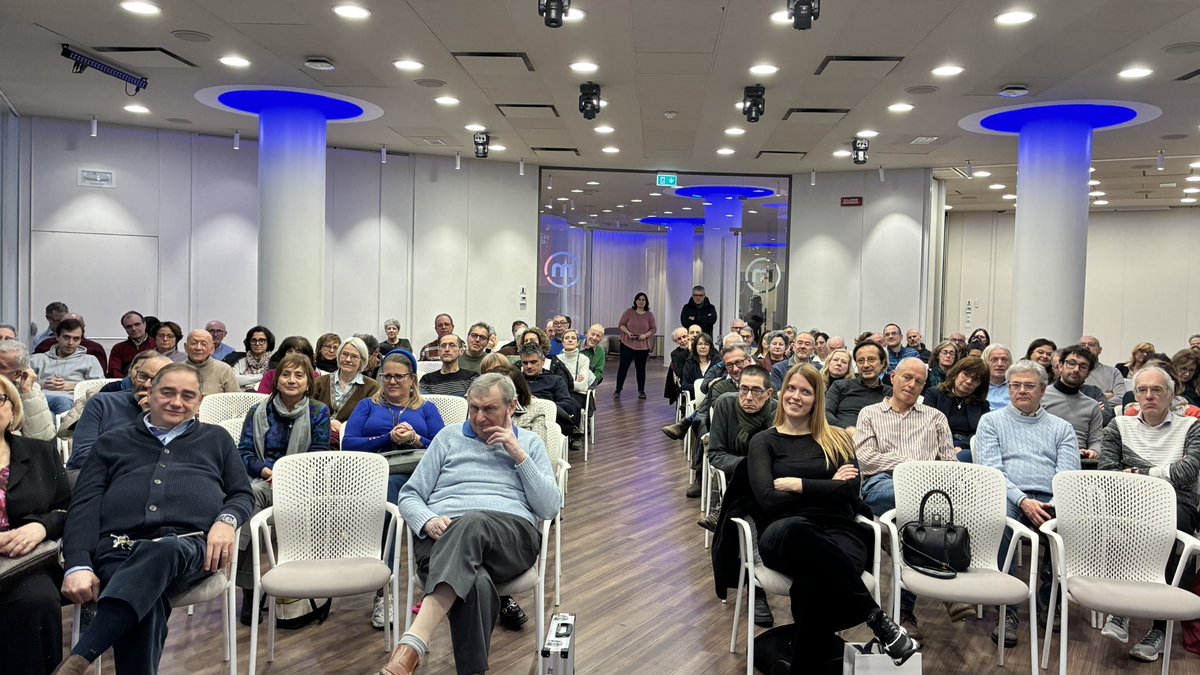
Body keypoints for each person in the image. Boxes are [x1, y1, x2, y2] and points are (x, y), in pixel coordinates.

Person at [56, 363, 253, 675]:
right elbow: (84, 505)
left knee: (163, 551)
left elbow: (242, 493)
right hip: (119, 547)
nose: (177, 402)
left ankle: (79, 657)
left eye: (188, 395)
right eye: (168, 392)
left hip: (190, 547)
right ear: (150, 393)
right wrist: (78, 564)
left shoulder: (217, 439)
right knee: (145, 599)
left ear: (200, 401)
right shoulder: (111, 442)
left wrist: (226, 521)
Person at [379, 374, 560, 675]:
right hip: (442, 536)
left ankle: (411, 645)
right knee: (474, 582)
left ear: (512, 407)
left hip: (509, 538)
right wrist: (427, 520)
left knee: (473, 522)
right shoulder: (448, 438)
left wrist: (518, 454)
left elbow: (549, 507)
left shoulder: (530, 443)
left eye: (489, 409)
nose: (479, 417)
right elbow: (410, 495)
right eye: (473, 408)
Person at [747, 362, 920, 673]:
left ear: (817, 399)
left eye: (806, 391)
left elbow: (851, 493)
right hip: (784, 533)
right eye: (791, 389)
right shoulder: (764, 441)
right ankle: (876, 619)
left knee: (812, 585)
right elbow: (768, 499)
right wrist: (830, 485)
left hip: (841, 532)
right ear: (782, 392)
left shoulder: (838, 438)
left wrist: (797, 483)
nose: (796, 396)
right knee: (799, 528)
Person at [974, 359, 1079, 646]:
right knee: (1000, 520)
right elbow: (993, 471)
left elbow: (1068, 474)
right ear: (1008, 388)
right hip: (1009, 496)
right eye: (1015, 385)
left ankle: (1049, 599)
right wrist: (1023, 501)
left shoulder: (1062, 428)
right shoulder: (991, 421)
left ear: (1043, 391)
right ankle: (1006, 609)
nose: (1021, 390)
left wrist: (1052, 504)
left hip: (1050, 499)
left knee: (1071, 523)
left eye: (1029, 386)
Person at [1099, 365, 1200, 662]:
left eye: (1157, 390)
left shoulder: (1190, 427)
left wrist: (1138, 471)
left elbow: (1187, 471)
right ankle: (1122, 611)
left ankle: (1160, 628)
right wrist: (1161, 473)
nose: (1149, 396)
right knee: (1122, 526)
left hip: (1177, 505)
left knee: (1174, 533)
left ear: (1171, 395)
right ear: (1135, 395)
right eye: (1142, 390)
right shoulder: (1118, 425)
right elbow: (1108, 472)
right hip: (1130, 502)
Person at [856, 357, 959, 636]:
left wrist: (913, 471)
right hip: (881, 486)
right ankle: (942, 581)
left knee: (908, 525)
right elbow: (866, 460)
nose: (912, 385)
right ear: (893, 378)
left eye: (919, 381)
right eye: (907, 378)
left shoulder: (935, 417)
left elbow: (949, 463)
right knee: (921, 509)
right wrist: (913, 466)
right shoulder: (869, 413)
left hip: (925, 491)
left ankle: (904, 612)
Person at [234, 353, 331, 623]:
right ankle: (250, 591)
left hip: (303, 484)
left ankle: (277, 590)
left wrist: (288, 474)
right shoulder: (257, 411)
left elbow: (319, 454)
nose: (292, 380)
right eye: (286, 374)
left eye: (299, 375)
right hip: (263, 480)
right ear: (276, 381)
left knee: (258, 515)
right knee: (250, 502)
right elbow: (243, 453)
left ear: (309, 382)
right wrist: (267, 471)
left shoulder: (318, 411)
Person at [0, 374, 71, 675]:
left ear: (13, 411)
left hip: (24, 562)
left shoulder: (40, 452)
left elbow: (68, 507)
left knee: (38, 600)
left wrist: (40, 527)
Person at [343, 350, 445, 503]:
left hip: (415, 471)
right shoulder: (367, 405)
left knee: (393, 483)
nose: (392, 381)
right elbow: (348, 444)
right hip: (369, 472)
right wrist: (387, 438)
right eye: (387, 376)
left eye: (399, 376)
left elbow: (443, 449)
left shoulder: (426, 408)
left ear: (412, 379)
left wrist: (415, 439)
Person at [698, 363, 776, 535]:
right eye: (743, 389)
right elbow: (716, 453)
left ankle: (725, 512)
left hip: (767, 475)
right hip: (732, 470)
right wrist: (750, 464)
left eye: (756, 391)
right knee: (750, 470)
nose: (748, 397)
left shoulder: (777, 412)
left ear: (768, 393)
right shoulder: (725, 403)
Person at [69, 354, 171, 472]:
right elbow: (81, 455)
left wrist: (151, 418)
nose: (146, 384)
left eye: (156, 380)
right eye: (143, 376)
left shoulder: (176, 410)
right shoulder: (102, 403)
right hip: (100, 475)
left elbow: (170, 459)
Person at [313, 337, 381, 447]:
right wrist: (328, 422)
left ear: (362, 361)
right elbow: (309, 411)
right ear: (338, 356)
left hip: (351, 443)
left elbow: (370, 421)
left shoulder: (372, 387)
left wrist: (343, 428)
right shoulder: (319, 382)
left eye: (354, 356)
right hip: (317, 440)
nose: (348, 359)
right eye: (344, 354)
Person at [1041, 344, 1105, 460]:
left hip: (1079, 460)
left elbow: (1096, 440)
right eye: (1071, 363)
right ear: (1060, 366)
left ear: (1088, 373)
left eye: (1083, 366)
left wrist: (1093, 451)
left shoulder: (1092, 405)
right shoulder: (1041, 396)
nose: (1076, 369)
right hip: (1045, 456)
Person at [29, 318, 104, 416]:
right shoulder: (37, 359)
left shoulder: (89, 360)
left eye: (76, 339)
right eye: (66, 337)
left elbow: (101, 387)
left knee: (57, 408)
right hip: (41, 398)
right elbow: (20, 384)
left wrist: (74, 387)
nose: (70, 343)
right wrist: (42, 384)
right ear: (57, 337)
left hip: (73, 400)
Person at [922, 356, 989, 460]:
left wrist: (962, 446)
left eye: (975, 380)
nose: (968, 381)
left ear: (980, 385)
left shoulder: (982, 405)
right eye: (965, 375)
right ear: (956, 373)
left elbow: (982, 432)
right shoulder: (934, 394)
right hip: (936, 444)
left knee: (966, 455)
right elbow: (927, 425)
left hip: (965, 448)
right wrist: (947, 447)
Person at [825, 341, 892, 430]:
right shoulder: (840, 386)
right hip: (842, 438)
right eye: (860, 361)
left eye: (871, 359)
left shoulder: (891, 393)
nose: (866, 365)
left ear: (882, 363)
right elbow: (825, 412)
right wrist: (847, 429)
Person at [0, 340, 55, 441]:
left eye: (1, 367)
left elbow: (41, 438)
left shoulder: (29, 389)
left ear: (16, 374)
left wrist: (28, 393)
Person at [615, 292, 656, 399]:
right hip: (627, 343)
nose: (641, 301)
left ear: (646, 302)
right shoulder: (629, 312)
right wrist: (627, 332)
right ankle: (618, 389)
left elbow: (653, 329)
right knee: (623, 367)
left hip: (642, 346)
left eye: (643, 300)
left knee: (641, 369)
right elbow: (621, 325)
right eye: (639, 299)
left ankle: (641, 391)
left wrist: (645, 335)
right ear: (635, 301)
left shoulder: (649, 315)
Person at [183, 330, 240, 395]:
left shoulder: (224, 369)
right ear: (185, 347)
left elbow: (236, 400)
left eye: (203, 344)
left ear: (212, 348)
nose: (198, 348)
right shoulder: (175, 369)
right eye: (193, 343)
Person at [1080, 335, 1127, 404]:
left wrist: (1097, 405)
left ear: (1100, 350)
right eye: (1082, 345)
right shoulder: (1072, 371)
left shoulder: (1113, 372)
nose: (1086, 347)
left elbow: (1121, 397)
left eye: (1091, 345)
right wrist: (1105, 396)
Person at [108, 311, 156, 378]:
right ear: (125, 329)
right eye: (129, 326)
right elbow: (114, 371)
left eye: (137, 324)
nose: (134, 329)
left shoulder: (157, 344)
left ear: (144, 324)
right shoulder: (118, 348)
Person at [232, 326, 274, 392]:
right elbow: (233, 380)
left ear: (268, 342)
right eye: (253, 340)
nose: (257, 343)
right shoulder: (240, 361)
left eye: (262, 340)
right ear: (249, 342)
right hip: (240, 398)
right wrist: (261, 376)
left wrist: (245, 381)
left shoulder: (274, 362)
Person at [679, 333, 717, 399]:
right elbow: (684, 385)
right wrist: (705, 386)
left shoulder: (717, 361)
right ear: (695, 347)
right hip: (695, 398)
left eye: (706, 344)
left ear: (710, 347)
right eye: (700, 344)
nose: (703, 347)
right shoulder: (689, 363)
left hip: (714, 397)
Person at [982, 343, 1013, 410]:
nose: (1000, 364)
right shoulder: (978, 385)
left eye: (1004, 360)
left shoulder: (1015, 386)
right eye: (994, 360)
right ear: (985, 362)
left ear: (1010, 364)